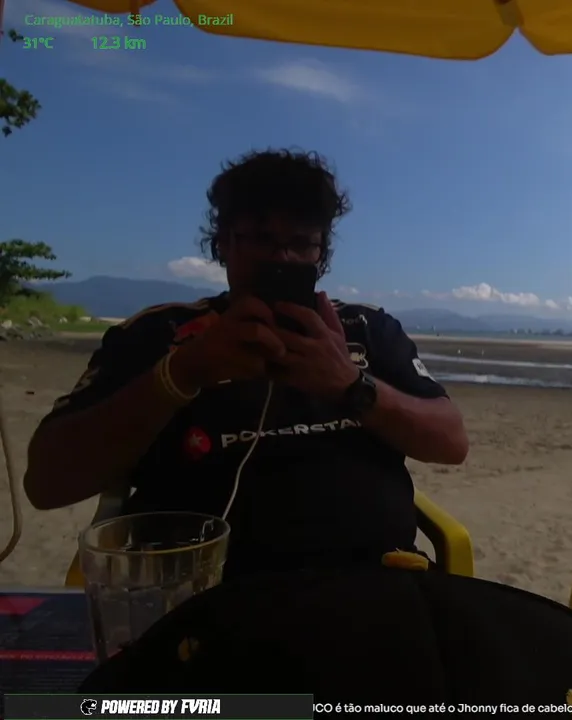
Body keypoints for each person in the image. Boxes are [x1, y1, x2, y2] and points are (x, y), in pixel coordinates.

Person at [24, 149, 469, 577]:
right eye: (261, 239)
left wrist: (351, 386)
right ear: (223, 243)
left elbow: (451, 442)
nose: (282, 257)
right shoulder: (157, 334)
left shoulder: (367, 328)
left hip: (377, 582)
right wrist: (182, 374)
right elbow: (46, 483)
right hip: (208, 590)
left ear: (321, 253)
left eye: (302, 243)